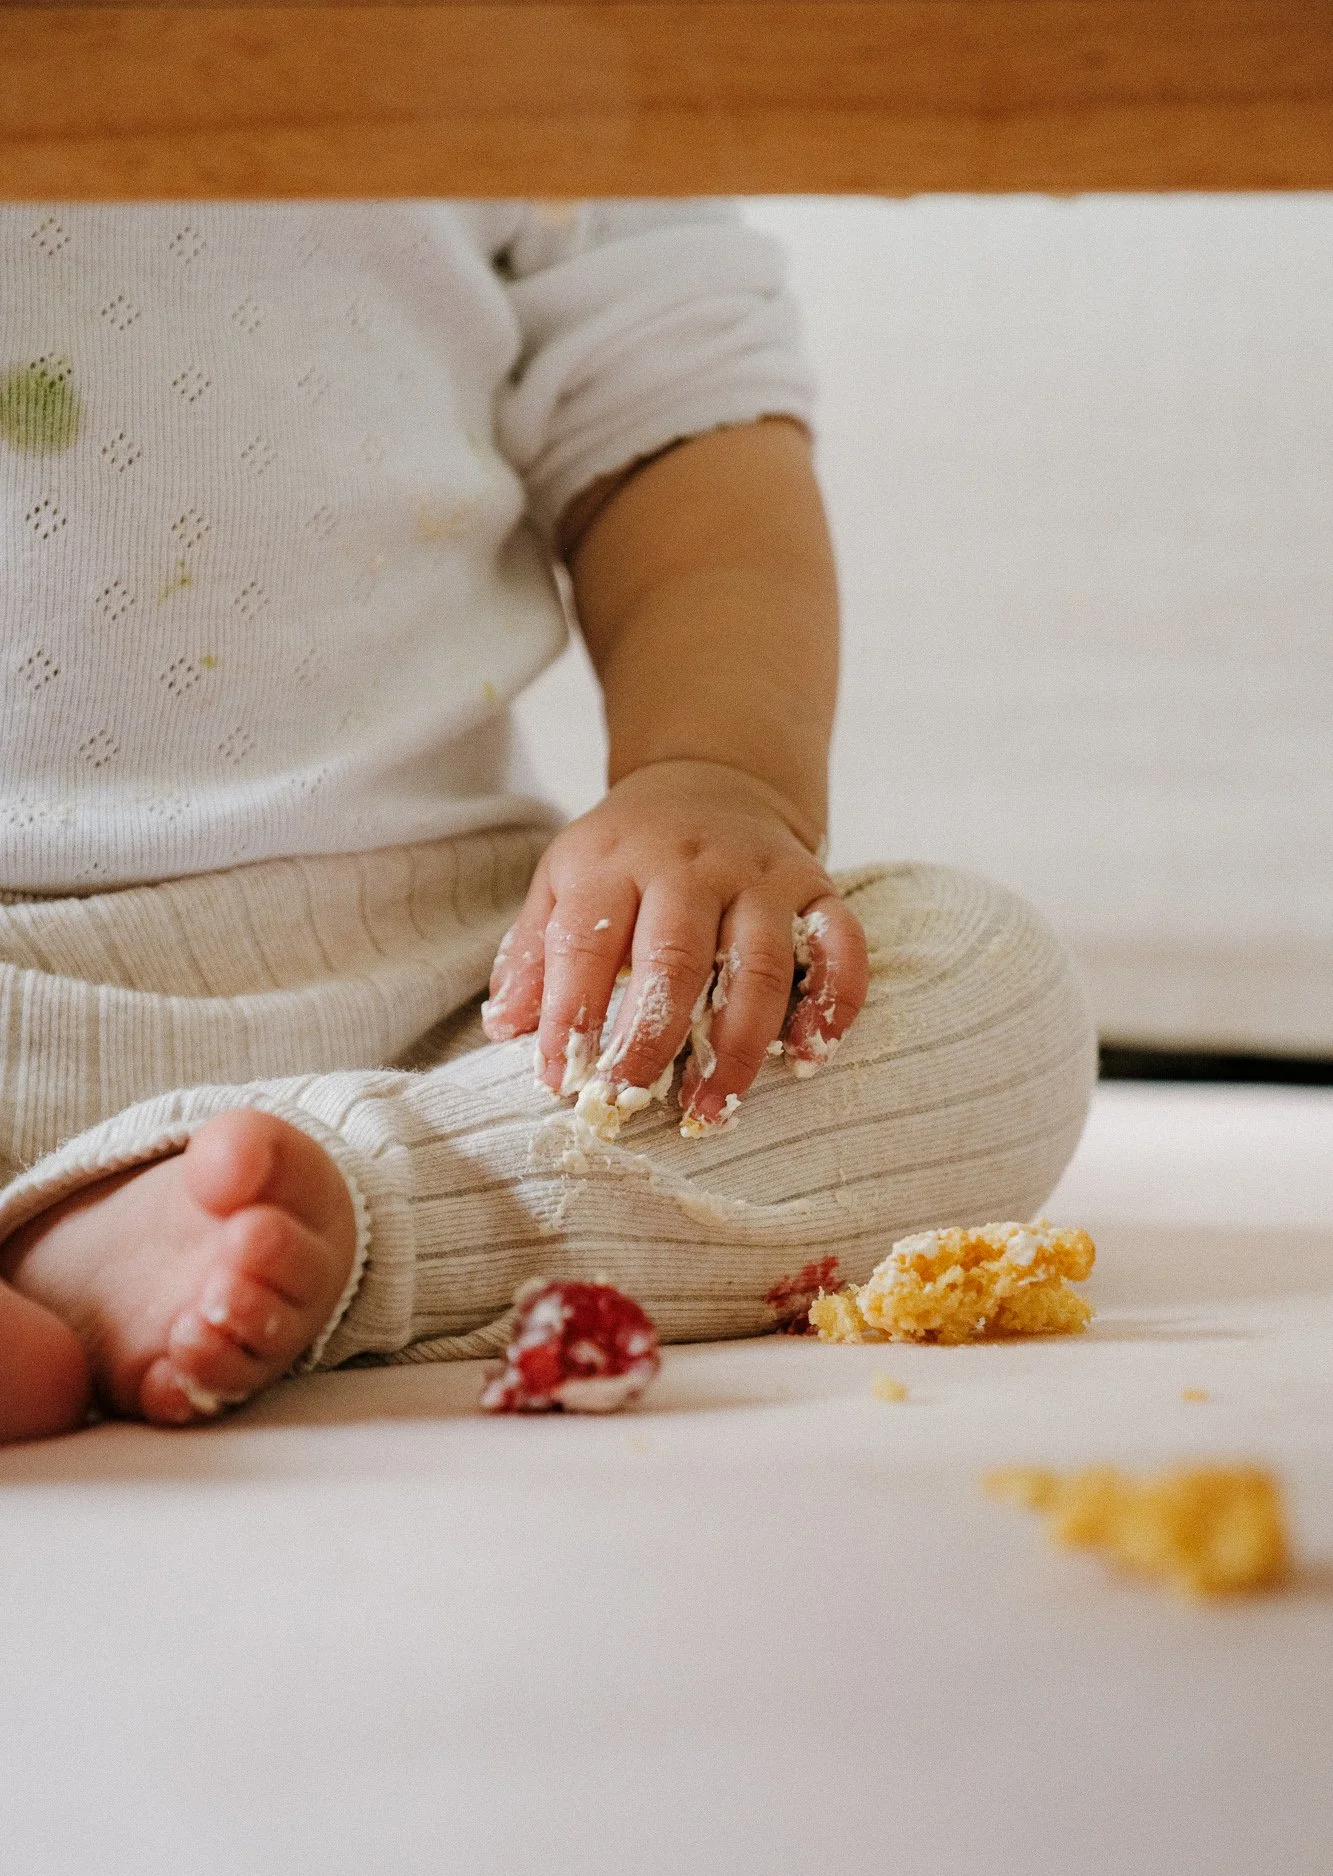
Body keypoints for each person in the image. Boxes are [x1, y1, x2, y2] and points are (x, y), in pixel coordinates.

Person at [0, 200, 1095, 1443]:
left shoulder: (524, 50)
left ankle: (342, 1200)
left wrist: (710, 775)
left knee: (988, 981)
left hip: (443, 1004)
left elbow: (683, 441)